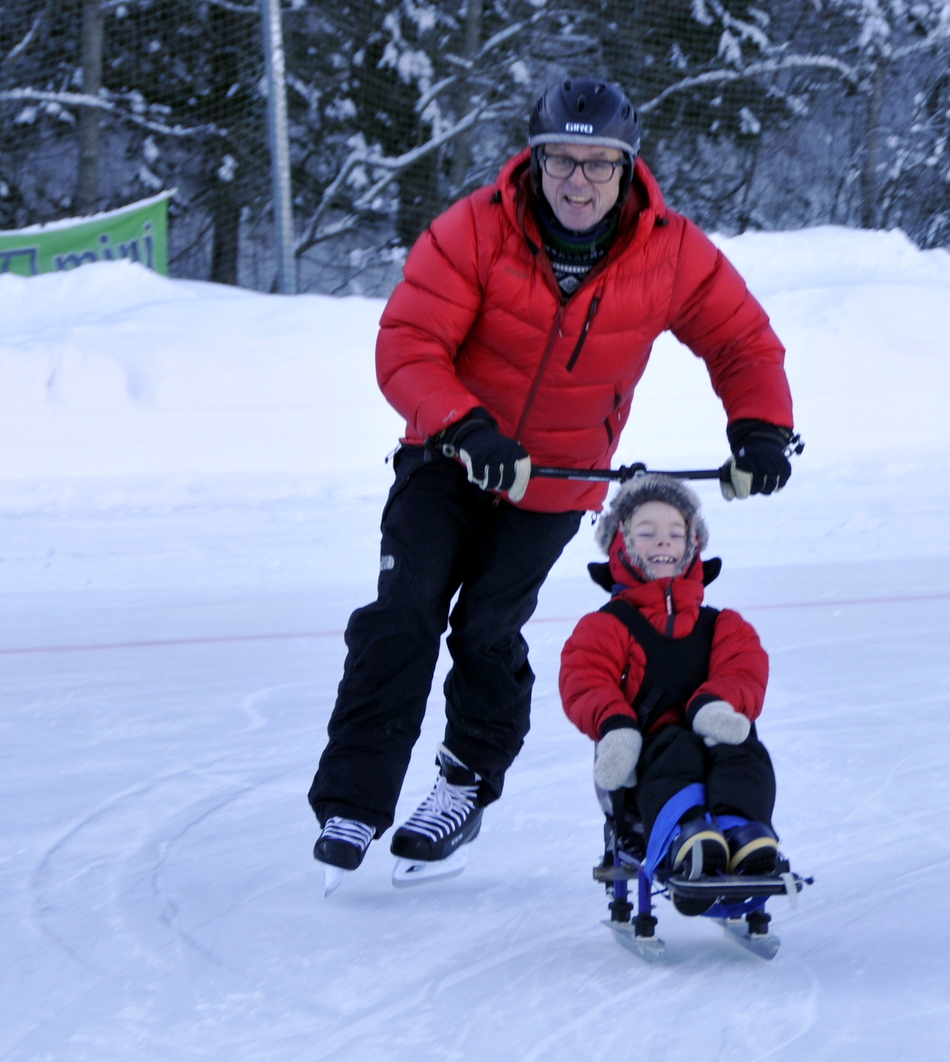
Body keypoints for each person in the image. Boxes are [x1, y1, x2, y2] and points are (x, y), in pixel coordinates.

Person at [308, 77, 795, 892]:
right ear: (532, 163)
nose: (578, 181)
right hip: (450, 455)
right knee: (406, 610)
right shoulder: (473, 230)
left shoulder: (669, 251)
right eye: (561, 161)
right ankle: (354, 802)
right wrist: (465, 425)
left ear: (627, 169)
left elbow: (742, 341)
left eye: (598, 164)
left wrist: (761, 428)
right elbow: (408, 344)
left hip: (559, 478)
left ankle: (463, 782)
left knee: (489, 626)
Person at [559, 474, 780, 911]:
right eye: (647, 533)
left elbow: (745, 667)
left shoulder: (723, 624)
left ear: (692, 544)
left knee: (744, 750)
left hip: (712, 737)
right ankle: (687, 836)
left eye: (675, 533)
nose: (663, 542)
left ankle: (743, 832)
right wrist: (616, 726)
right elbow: (586, 678)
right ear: (621, 544)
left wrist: (714, 705)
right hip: (643, 755)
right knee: (675, 747)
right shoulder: (606, 625)